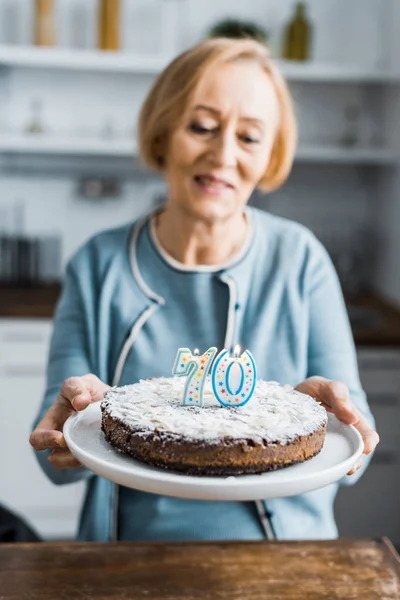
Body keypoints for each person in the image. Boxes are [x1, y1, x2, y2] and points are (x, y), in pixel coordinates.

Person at [30, 38, 379, 542]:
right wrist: (78, 426)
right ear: (164, 130)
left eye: (250, 137)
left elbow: (359, 452)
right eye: (202, 127)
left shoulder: (301, 261)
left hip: (288, 562)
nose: (223, 154)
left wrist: (333, 423)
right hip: (127, 558)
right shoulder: (98, 265)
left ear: (271, 154)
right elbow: (53, 459)